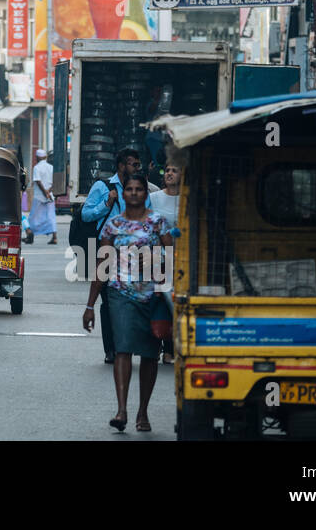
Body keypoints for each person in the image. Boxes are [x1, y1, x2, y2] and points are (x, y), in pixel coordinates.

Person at [81, 171, 174, 433]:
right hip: (119, 294)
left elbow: (173, 257)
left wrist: (158, 261)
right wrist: (89, 306)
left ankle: (142, 411)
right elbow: (102, 265)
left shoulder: (158, 224)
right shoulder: (113, 226)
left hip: (152, 297)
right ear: (123, 194)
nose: (134, 193)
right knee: (122, 349)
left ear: (146, 193)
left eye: (139, 189)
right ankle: (121, 409)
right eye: (129, 189)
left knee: (148, 355)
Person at [83, 147, 149, 364]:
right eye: (133, 164)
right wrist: (107, 203)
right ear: (121, 166)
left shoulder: (140, 188)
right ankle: (111, 349)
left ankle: (130, 344)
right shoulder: (103, 187)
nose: (136, 168)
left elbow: (148, 214)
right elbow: (86, 214)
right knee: (108, 301)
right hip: (107, 249)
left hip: (134, 252)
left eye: (138, 165)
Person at [150, 161, 182, 364]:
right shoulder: (154, 198)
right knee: (162, 302)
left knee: (178, 303)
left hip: (184, 258)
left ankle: (178, 348)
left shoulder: (188, 198)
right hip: (160, 258)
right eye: (167, 170)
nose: (169, 173)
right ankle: (164, 349)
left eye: (174, 170)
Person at [29, 149, 57, 245]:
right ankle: (54, 237)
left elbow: (38, 181)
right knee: (51, 216)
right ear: (45, 157)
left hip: (39, 196)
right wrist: (48, 192)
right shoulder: (51, 167)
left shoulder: (36, 168)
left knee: (33, 217)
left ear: (37, 157)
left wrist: (45, 193)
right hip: (50, 196)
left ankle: (30, 236)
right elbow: (54, 181)